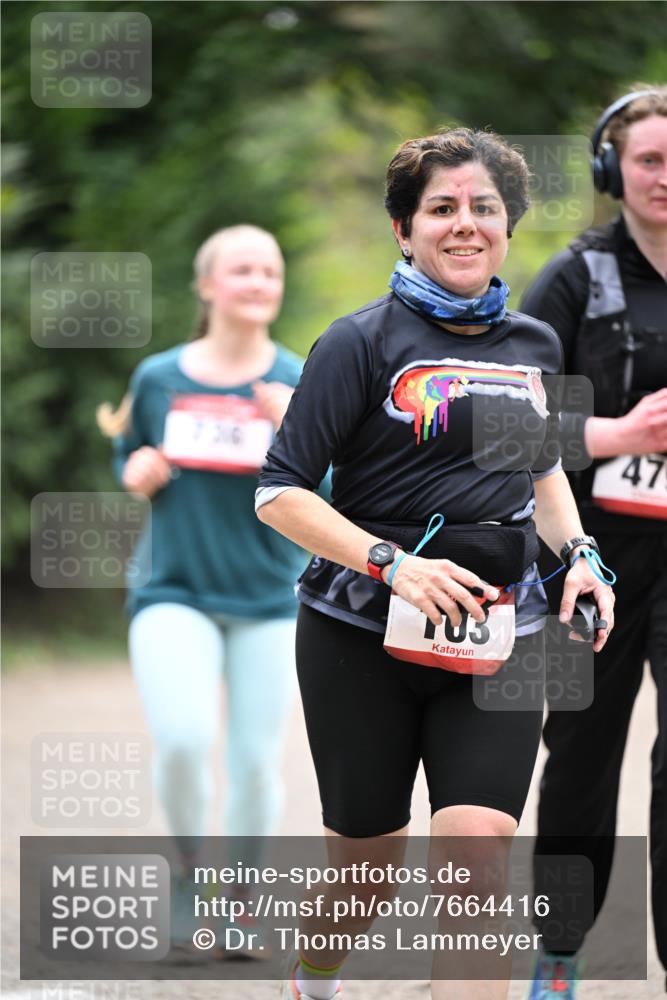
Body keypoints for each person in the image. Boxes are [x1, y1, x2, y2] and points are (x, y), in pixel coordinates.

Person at [256, 128, 616, 1000]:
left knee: (476, 852)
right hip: (357, 633)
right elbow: (279, 492)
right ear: (402, 228)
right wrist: (391, 565)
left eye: (483, 209)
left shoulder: (534, 343)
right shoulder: (358, 342)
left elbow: (539, 472)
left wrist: (578, 556)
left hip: (497, 634)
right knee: (366, 865)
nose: (465, 225)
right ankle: (314, 975)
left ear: (507, 224)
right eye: (441, 209)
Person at [98, 224, 321, 953]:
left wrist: (292, 430)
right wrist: (134, 473)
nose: (257, 282)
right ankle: (192, 879)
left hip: (270, 599)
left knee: (256, 760)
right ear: (207, 286)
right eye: (241, 270)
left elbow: (334, 493)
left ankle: (242, 902)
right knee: (185, 739)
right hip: (174, 593)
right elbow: (131, 455)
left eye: (269, 271)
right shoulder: (160, 377)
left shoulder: (300, 379)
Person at [520, 86, 667, 999]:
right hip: (591, 559)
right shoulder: (576, 277)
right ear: (612, 170)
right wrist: (617, 433)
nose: (666, 179)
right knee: (580, 753)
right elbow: (512, 425)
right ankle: (561, 952)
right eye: (650, 160)